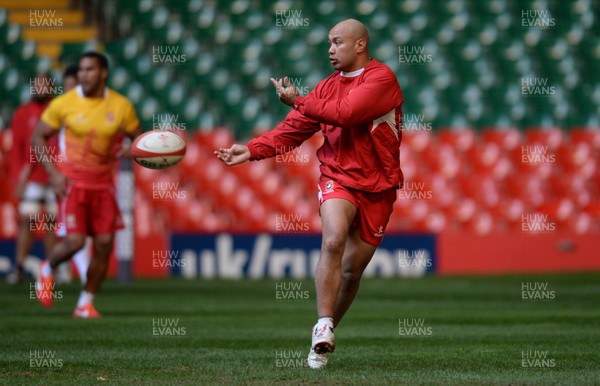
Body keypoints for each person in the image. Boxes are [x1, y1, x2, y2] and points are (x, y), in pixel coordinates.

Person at [215, 19, 403, 368]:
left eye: (337, 42)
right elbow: (293, 130)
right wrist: (252, 150)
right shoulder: (326, 88)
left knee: (351, 273)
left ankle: (324, 336)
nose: (330, 50)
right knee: (332, 240)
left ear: (360, 45)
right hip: (338, 177)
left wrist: (298, 100)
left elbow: (347, 114)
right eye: (329, 43)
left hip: (379, 186)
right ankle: (323, 324)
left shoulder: (381, 79)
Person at [32, 52, 142, 318]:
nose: (83, 75)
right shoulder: (64, 103)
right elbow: (38, 137)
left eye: (90, 69)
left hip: (104, 186)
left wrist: (132, 150)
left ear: (104, 72)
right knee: (76, 242)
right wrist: (54, 174)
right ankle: (47, 269)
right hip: (73, 183)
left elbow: (139, 140)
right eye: (81, 70)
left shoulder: (121, 105)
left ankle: (85, 303)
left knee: (105, 245)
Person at [7, 74, 57, 284]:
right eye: (37, 84)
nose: (40, 88)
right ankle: (19, 267)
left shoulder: (59, 111)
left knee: (52, 223)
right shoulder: (22, 113)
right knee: (28, 221)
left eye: (44, 84)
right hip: (32, 178)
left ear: (52, 88)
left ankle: (51, 270)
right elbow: (17, 148)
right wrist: (19, 178)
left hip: (55, 176)